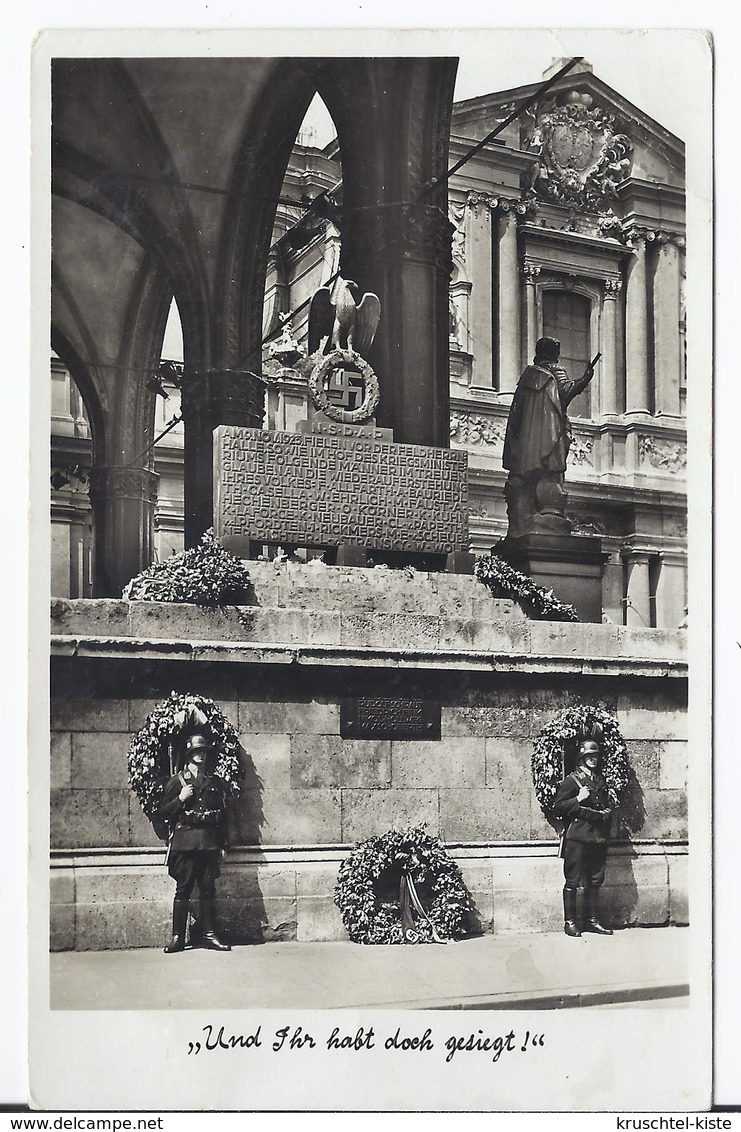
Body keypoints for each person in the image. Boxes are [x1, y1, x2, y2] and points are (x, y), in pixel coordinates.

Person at [502, 336, 597, 539]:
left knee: (529, 484)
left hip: (527, 446)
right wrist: (585, 378)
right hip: (549, 438)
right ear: (553, 353)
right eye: (557, 352)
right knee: (551, 478)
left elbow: (516, 417)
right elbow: (567, 391)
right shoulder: (555, 371)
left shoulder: (527, 377)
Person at [157, 732, 232, 953]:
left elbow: (223, 816)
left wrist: (223, 845)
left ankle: (209, 935)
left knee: (208, 890)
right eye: (196, 751)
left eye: (203, 751)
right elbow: (162, 812)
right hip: (186, 843)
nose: (201, 755)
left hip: (208, 843)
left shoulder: (213, 782)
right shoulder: (177, 781)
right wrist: (180, 799)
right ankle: (178, 937)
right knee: (183, 890)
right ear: (189, 755)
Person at [552, 736, 614, 938]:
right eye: (590, 756)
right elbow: (558, 807)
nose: (594, 759)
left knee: (595, 880)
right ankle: (570, 922)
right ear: (581, 758)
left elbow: (605, 806)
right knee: (573, 881)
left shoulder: (600, 781)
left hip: (598, 838)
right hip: (577, 837)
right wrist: (577, 799)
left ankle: (592, 920)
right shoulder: (571, 781)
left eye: (596, 756)